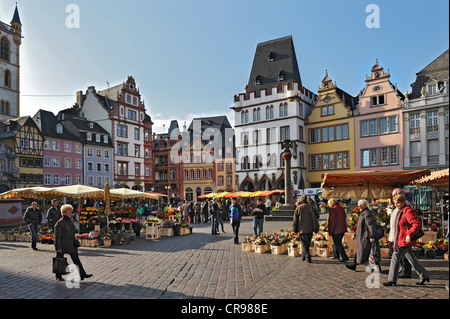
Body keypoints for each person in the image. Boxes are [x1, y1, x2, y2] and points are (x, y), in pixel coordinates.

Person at [383, 194, 430, 286]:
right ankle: (424, 275)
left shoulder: (408, 211)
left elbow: (417, 224)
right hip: (401, 239)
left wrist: (409, 234)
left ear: (403, 202)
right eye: (395, 203)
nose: (396, 205)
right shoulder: (401, 210)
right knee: (412, 259)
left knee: (395, 258)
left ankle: (392, 279)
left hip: (404, 240)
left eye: (398, 203)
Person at [53, 204, 93, 281]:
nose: (71, 214)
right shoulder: (59, 223)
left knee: (76, 260)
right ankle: (58, 276)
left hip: (71, 244)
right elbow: (56, 236)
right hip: (62, 244)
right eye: (69, 212)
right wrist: (57, 247)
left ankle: (82, 274)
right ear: (64, 213)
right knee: (59, 260)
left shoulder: (70, 221)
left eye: (71, 212)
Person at [345, 199, 380, 271]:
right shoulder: (363, 213)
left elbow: (371, 226)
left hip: (365, 236)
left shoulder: (367, 213)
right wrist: (355, 234)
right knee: (361, 251)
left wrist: (372, 236)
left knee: (366, 252)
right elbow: (359, 226)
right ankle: (355, 265)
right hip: (361, 235)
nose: (358, 207)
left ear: (364, 206)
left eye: (359, 206)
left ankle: (374, 266)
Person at [388, 188, 412, 278]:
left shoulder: (405, 207)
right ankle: (405, 270)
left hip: (401, 236)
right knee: (408, 256)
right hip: (396, 235)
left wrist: (408, 234)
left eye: (395, 195)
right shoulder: (398, 206)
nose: (393, 197)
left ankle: (404, 272)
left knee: (403, 256)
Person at [293, 195, 314, 263]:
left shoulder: (299, 208)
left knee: (304, 244)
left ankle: (308, 258)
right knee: (307, 244)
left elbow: (295, 220)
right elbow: (317, 215)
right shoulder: (310, 207)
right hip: (310, 228)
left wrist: (295, 229)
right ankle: (303, 256)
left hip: (302, 229)